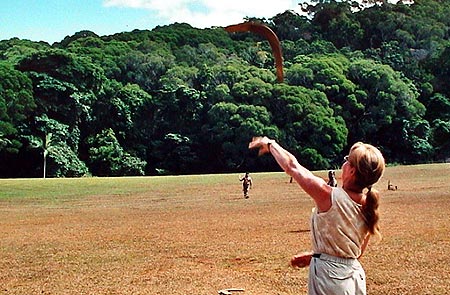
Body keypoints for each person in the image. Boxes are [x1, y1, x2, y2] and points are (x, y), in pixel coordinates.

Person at [249, 137, 385, 295]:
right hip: (354, 278)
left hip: (330, 279)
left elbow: (292, 166)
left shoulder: (329, 196)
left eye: (347, 160)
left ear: (352, 171)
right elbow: (355, 253)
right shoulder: (369, 205)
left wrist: (270, 144)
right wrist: (316, 256)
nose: (344, 163)